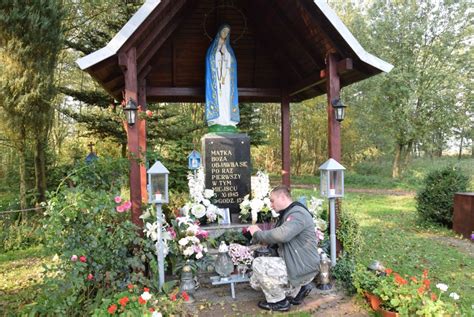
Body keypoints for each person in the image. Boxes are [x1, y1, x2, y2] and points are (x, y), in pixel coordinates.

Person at [248, 185, 320, 311]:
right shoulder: (288, 213)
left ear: (282, 197)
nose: (271, 205)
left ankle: (279, 302)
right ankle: (298, 291)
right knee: (255, 281)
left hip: (302, 266)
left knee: (259, 264)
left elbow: (282, 235)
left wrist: (257, 233)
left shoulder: (297, 214)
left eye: (272, 200)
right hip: (297, 263)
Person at [205, 24, 239, 130]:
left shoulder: (229, 50)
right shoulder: (212, 50)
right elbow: (210, 60)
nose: (225, 34)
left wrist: (226, 56)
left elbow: (233, 63)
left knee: (227, 98)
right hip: (216, 80)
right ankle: (217, 121)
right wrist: (219, 55)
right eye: (223, 31)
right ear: (219, 33)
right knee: (219, 99)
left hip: (227, 80)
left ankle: (228, 122)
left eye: (227, 32)